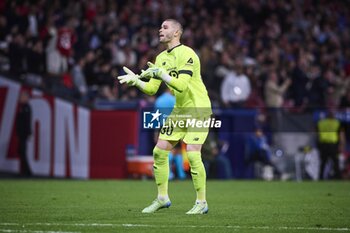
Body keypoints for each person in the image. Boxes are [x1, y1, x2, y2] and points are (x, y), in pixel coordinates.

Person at [117, 19, 211, 214]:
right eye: (160, 27)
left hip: (198, 109)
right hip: (180, 110)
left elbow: (182, 85)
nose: (160, 29)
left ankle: (201, 203)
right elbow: (152, 89)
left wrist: (163, 75)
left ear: (177, 32)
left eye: (165, 27)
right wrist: (136, 82)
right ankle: (162, 198)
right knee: (159, 152)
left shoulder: (188, 54)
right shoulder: (160, 58)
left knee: (193, 153)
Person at [317, 111, 345, 179]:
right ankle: (338, 178)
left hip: (323, 145)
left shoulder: (321, 123)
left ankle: (320, 178)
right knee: (336, 162)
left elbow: (317, 135)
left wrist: (318, 145)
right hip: (333, 145)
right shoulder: (337, 123)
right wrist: (341, 145)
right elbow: (341, 135)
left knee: (323, 163)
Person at [16, 91, 32, 176]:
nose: (20, 98)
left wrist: (29, 133)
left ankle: (27, 172)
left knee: (22, 152)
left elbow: (28, 122)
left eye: (22, 96)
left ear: (26, 98)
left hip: (24, 134)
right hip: (21, 134)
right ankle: (25, 171)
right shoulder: (22, 107)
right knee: (21, 152)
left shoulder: (27, 108)